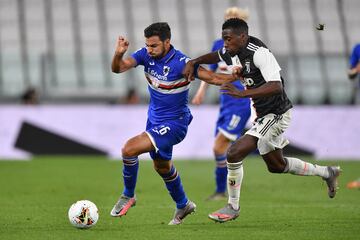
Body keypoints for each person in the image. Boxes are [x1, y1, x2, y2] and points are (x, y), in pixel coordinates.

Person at [184, 18, 341, 223]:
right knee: (277, 165)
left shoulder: (259, 53)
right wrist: (195, 61)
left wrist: (243, 94)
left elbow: (276, 86)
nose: (226, 44)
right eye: (224, 39)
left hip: (276, 113)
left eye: (229, 39)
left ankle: (232, 206)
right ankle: (327, 172)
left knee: (233, 152)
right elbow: (216, 55)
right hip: (263, 114)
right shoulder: (233, 50)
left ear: (243, 37)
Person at [110, 22, 235, 225]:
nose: (149, 50)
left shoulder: (181, 62)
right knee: (162, 167)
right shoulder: (144, 55)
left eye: (154, 46)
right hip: (154, 121)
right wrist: (118, 54)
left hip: (175, 124)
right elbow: (118, 69)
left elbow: (211, 77)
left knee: (129, 149)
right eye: (147, 45)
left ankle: (128, 195)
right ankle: (183, 204)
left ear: (167, 42)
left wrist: (237, 76)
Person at [192, 7, 251, 201]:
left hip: (239, 105)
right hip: (225, 105)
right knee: (224, 150)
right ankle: (224, 190)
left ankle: (222, 192)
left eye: (235, 19)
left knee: (219, 148)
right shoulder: (218, 45)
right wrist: (201, 92)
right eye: (228, 18)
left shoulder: (248, 47)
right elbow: (210, 72)